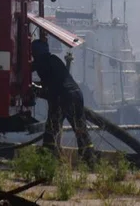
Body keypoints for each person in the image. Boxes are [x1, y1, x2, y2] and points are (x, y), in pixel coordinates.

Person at [31, 38, 96, 166]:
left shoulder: (40, 63)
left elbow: (44, 84)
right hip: (77, 94)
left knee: (52, 129)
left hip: (62, 97)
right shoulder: (55, 59)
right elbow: (54, 81)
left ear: (35, 52)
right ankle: (90, 161)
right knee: (81, 131)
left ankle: (48, 160)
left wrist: (32, 88)